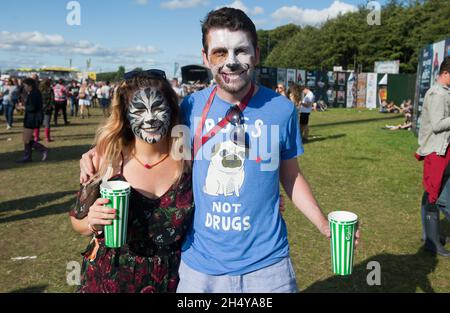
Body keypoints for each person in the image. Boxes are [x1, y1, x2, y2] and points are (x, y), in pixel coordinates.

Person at [80, 8, 360, 293]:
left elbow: (291, 177)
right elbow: (145, 136)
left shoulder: (282, 110)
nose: (231, 62)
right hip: (201, 269)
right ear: (205, 58)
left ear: (256, 54)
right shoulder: (188, 109)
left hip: (268, 266)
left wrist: (324, 224)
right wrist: (97, 152)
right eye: (220, 53)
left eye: (241, 51)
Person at [70, 69, 194, 293]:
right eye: (139, 111)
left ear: (171, 109)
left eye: (157, 108)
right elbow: (77, 222)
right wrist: (92, 221)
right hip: (109, 279)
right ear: (126, 117)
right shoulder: (105, 159)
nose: (150, 118)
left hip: (173, 281)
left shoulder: (189, 160)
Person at [416, 55, 450, 257]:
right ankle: (431, 242)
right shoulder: (437, 94)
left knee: (431, 192)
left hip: (442, 150)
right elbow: (438, 125)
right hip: (436, 151)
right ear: (445, 73)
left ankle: (430, 236)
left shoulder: (443, 92)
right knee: (436, 195)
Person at [17, 78, 48, 163]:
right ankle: (28, 156)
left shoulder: (34, 93)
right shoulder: (33, 93)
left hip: (32, 118)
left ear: (29, 85)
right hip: (31, 118)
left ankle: (42, 149)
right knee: (27, 138)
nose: (24, 87)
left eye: (25, 85)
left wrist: (23, 107)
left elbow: (32, 107)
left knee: (26, 139)